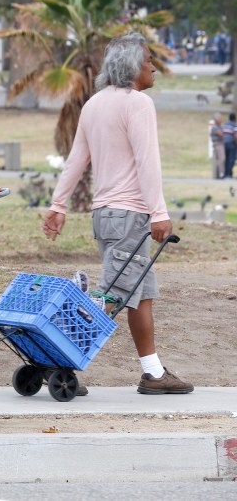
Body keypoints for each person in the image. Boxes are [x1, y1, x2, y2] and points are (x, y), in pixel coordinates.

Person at [42, 32, 193, 396]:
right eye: (147, 62)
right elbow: (147, 162)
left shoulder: (95, 104)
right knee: (113, 296)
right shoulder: (137, 104)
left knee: (139, 295)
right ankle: (55, 361)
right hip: (130, 216)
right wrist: (159, 212)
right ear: (130, 68)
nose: (154, 67)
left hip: (106, 215)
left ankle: (153, 372)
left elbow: (76, 158)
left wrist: (58, 205)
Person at [210, 113, 225, 179]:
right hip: (218, 144)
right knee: (221, 159)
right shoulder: (215, 127)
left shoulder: (219, 127)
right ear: (217, 120)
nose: (221, 120)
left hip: (219, 144)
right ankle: (221, 173)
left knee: (219, 159)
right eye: (220, 119)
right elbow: (221, 134)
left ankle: (219, 174)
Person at [222, 112, 237, 180]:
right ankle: (228, 174)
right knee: (231, 159)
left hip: (224, 143)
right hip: (231, 144)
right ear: (235, 119)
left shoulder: (225, 125)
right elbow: (236, 136)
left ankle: (227, 173)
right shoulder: (235, 126)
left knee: (226, 159)